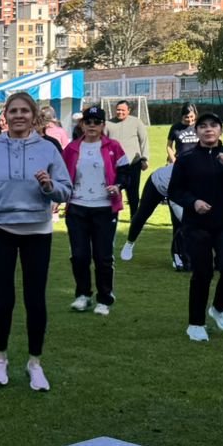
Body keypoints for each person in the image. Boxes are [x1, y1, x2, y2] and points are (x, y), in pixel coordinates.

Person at [0, 91, 73, 391]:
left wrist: (49, 187)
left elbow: (66, 190)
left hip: (37, 231)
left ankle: (35, 363)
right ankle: (0, 358)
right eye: (13, 111)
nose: (18, 116)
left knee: (35, 299)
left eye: (24, 111)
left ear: (34, 116)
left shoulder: (48, 149)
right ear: (5, 115)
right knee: (4, 299)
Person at [169, 113, 223, 342]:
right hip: (196, 224)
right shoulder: (186, 158)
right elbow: (175, 190)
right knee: (202, 273)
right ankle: (196, 324)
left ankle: (219, 308)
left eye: (213, 125)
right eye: (203, 126)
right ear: (196, 131)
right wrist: (193, 202)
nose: (208, 129)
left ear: (220, 130)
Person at [62, 106, 128, 315]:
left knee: (103, 256)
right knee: (79, 255)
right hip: (77, 208)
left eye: (96, 122)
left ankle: (104, 298)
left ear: (103, 125)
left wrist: (117, 186)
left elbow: (125, 172)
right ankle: (83, 295)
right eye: (88, 122)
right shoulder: (72, 148)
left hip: (105, 208)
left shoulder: (113, 146)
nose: (92, 126)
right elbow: (62, 174)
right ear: (82, 125)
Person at [118, 162, 182, 267]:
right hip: (157, 183)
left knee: (178, 222)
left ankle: (177, 256)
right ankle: (129, 243)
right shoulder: (187, 165)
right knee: (142, 215)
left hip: (177, 190)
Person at [105, 101, 149, 221]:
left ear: (128, 110)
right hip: (115, 166)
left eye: (123, 110)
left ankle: (134, 217)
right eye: (118, 110)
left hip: (133, 164)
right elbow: (103, 143)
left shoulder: (136, 122)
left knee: (133, 193)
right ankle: (112, 216)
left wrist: (144, 159)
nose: (120, 112)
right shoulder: (108, 124)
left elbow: (144, 141)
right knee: (114, 191)